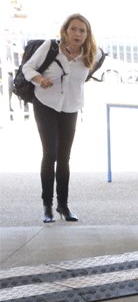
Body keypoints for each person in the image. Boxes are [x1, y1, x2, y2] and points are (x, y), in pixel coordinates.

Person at [23, 13, 103, 223]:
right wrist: (40, 79)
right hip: (46, 104)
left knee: (64, 157)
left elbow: (84, 78)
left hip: (70, 108)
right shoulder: (51, 47)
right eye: (73, 29)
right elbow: (27, 68)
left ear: (87, 34)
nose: (77, 33)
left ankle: (63, 205)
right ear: (65, 31)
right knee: (50, 154)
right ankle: (47, 206)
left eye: (82, 30)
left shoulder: (91, 54)